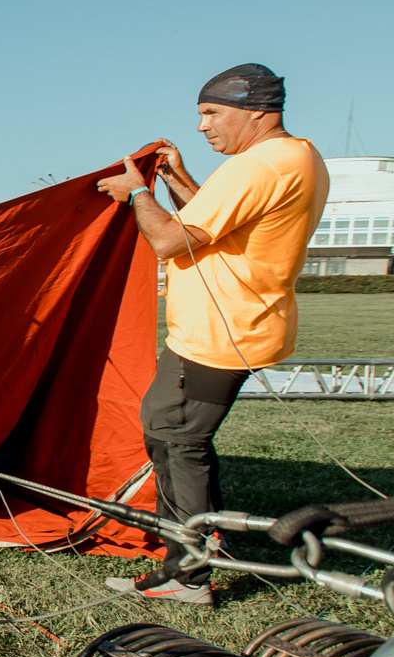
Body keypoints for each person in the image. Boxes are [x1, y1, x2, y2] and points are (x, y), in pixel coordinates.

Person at [95, 64, 328, 606]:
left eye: (212, 113)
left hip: (225, 334)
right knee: (165, 429)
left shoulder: (261, 167)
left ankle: (189, 573)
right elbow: (213, 223)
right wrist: (175, 179)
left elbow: (173, 242)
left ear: (256, 112)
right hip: (215, 329)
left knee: (180, 439)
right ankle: (195, 551)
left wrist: (137, 195)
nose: (202, 127)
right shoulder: (292, 157)